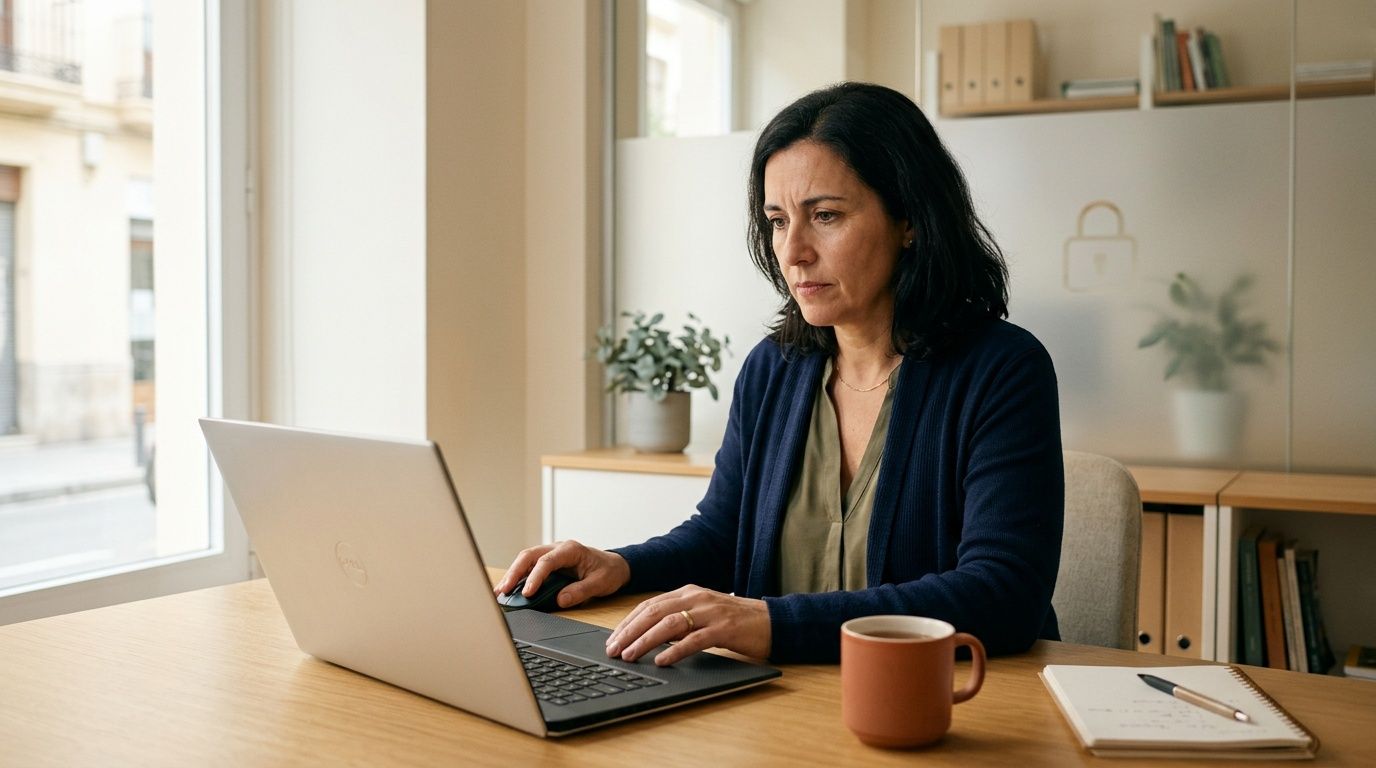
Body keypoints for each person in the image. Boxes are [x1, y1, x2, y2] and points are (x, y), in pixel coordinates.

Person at [496, 82, 1063, 666]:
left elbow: (1003, 596)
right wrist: (623, 566)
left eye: (825, 216)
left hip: (945, 702)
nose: (793, 251)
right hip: (788, 704)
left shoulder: (1001, 369)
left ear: (909, 220)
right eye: (777, 220)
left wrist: (772, 622)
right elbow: (722, 536)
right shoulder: (774, 369)